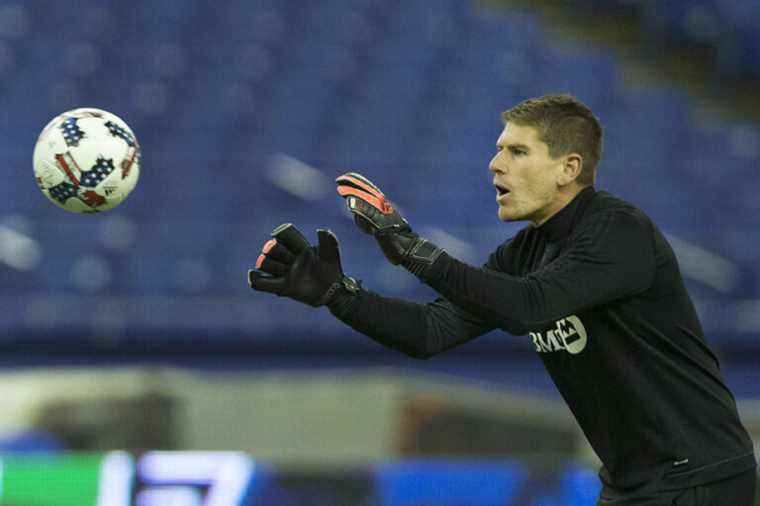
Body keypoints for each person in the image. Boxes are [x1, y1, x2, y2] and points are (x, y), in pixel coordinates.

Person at [248, 94, 757, 505]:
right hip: (634, 484)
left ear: (568, 168)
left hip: (700, 477)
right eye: (498, 150)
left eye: (517, 151)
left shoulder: (618, 230)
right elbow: (431, 333)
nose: (495, 165)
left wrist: (410, 250)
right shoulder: (524, 253)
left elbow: (528, 307)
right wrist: (340, 296)